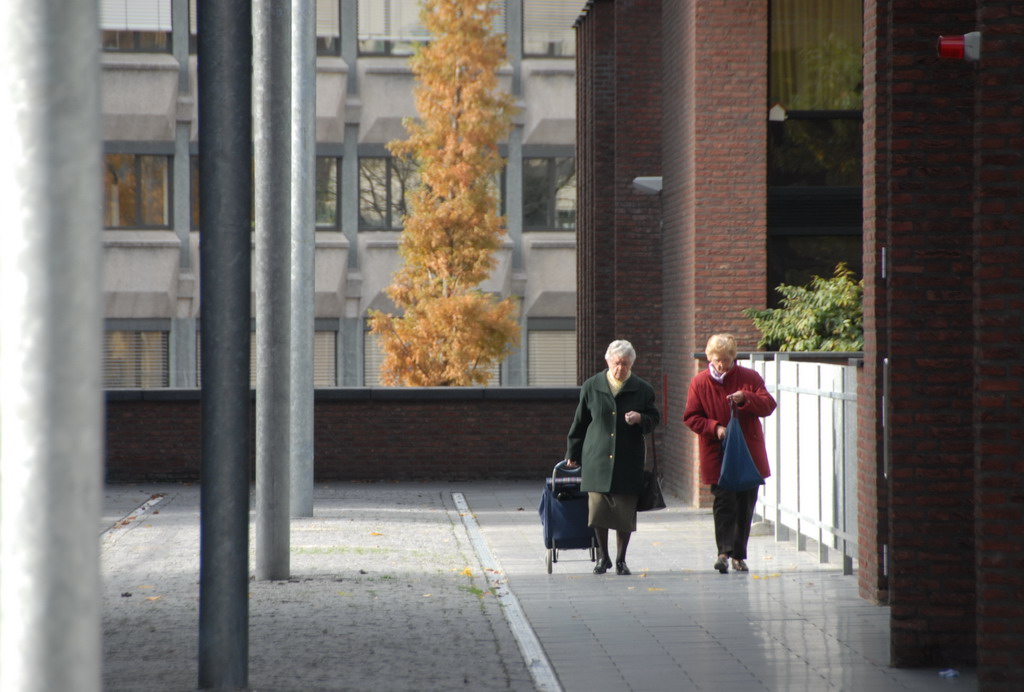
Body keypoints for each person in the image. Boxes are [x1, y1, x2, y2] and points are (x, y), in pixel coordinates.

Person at [683, 334, 776, 574]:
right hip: (718, 453)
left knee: (745, 505)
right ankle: (723, 553)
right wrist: (715, 428)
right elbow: (692, 417)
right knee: (724, 503)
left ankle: (739, 556)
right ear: (708, 358)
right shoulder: (699, 383)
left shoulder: (749, 378)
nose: (721, 364)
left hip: (747, 454)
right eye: (716, 360)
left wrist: (746, 398)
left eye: (725, 359)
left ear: (733, 357)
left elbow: (768, 405)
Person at [565, 340, 660, 575]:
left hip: (628, 459)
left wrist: (640, 418)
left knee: (624, 513)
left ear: (632, 364)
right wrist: (572, 453)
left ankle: (620, 559)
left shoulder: (643, 389)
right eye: (617, 364)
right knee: (597, 511)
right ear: (608, 361)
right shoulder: (592, 386)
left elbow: (654, 418)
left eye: (626, 365)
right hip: (597, 457)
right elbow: (580, 422)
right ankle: (602, 558)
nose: (620, 369)